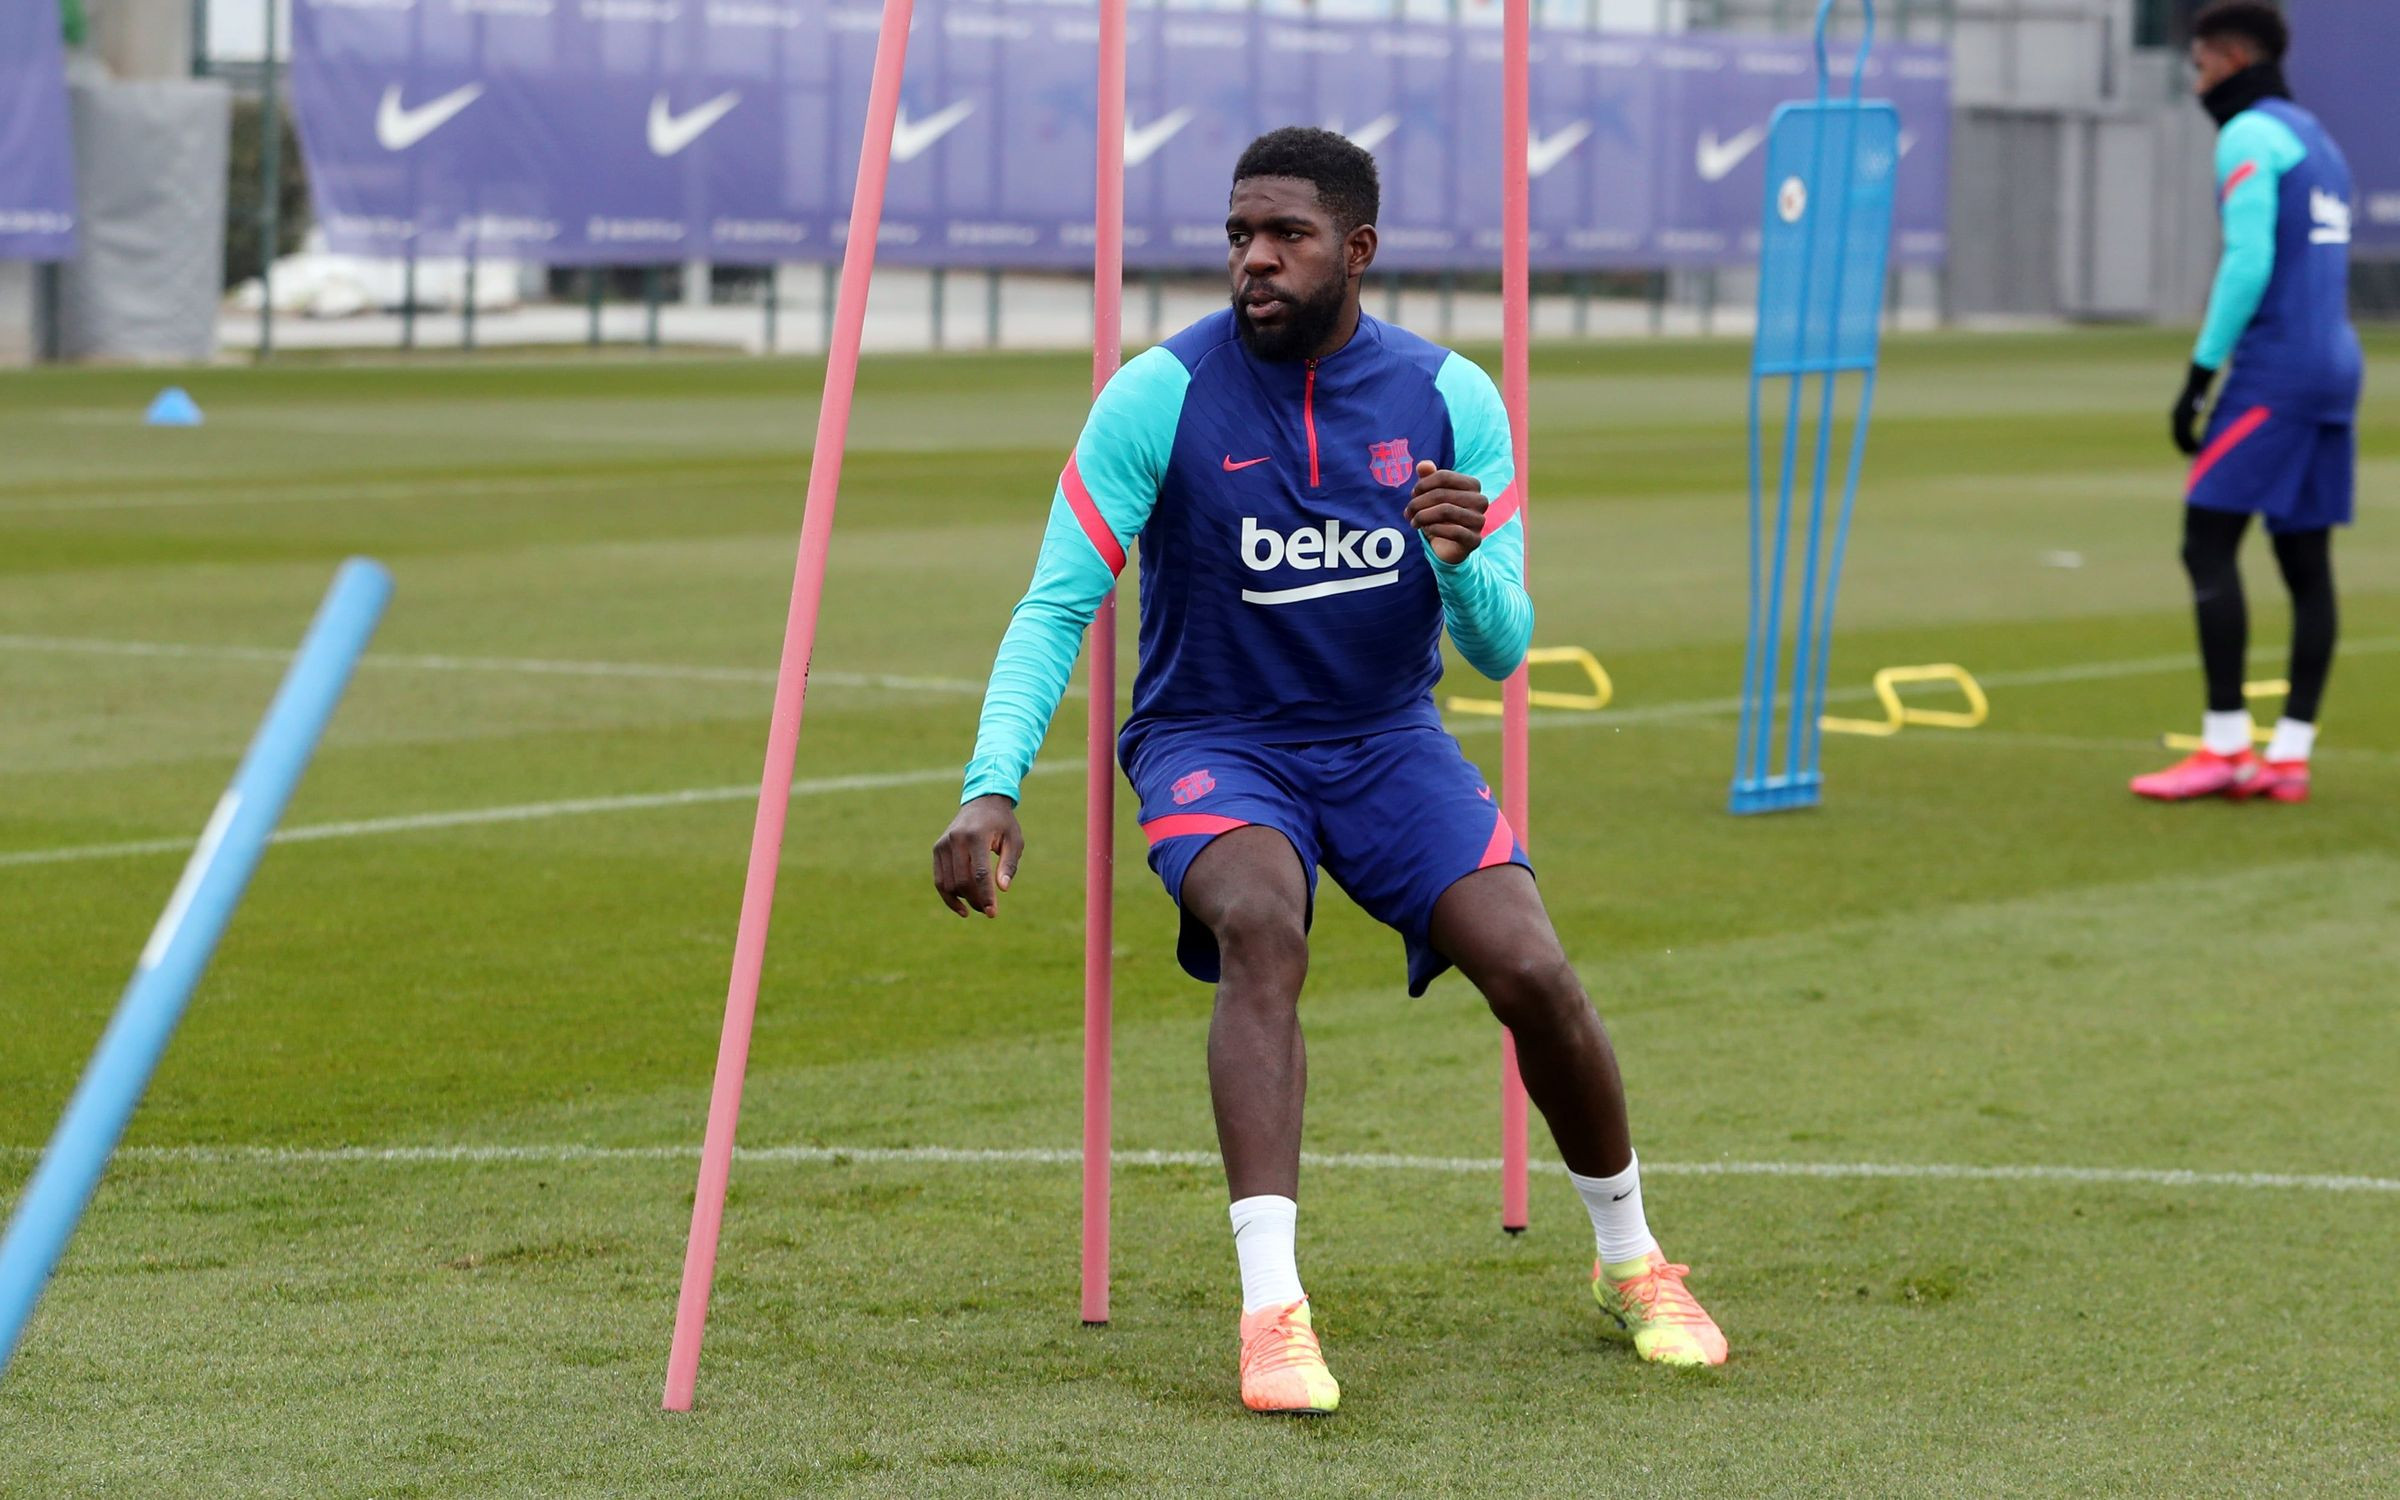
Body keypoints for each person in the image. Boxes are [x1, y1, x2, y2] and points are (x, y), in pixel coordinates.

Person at [931, 127, 1724, 1416]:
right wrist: (991, 782)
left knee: (1529, 964)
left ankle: (1631, 1263)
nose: (1254, 258)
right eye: (1241, 233)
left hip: (1387, 739)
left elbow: (1504, 649)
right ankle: (1273, 1311)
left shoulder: (1451, 396)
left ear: (1356, 250)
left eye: (1286, 235)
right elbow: (1055, 605)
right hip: (1214, 741)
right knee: (1259, 921)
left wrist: (1466, 563)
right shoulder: (1157, 395)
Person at [2133, 0, 2361, 804]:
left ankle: (2226, 746)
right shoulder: (2319, 139)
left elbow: (2249, 259)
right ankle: (2289, 755)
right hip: (2336, 364)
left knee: (2207, 542)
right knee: (2305, 561)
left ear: (2228, 58)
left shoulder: (2248, 134)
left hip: (2279, 372)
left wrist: (2200, 375)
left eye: (2198, 68)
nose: (2196, 85)